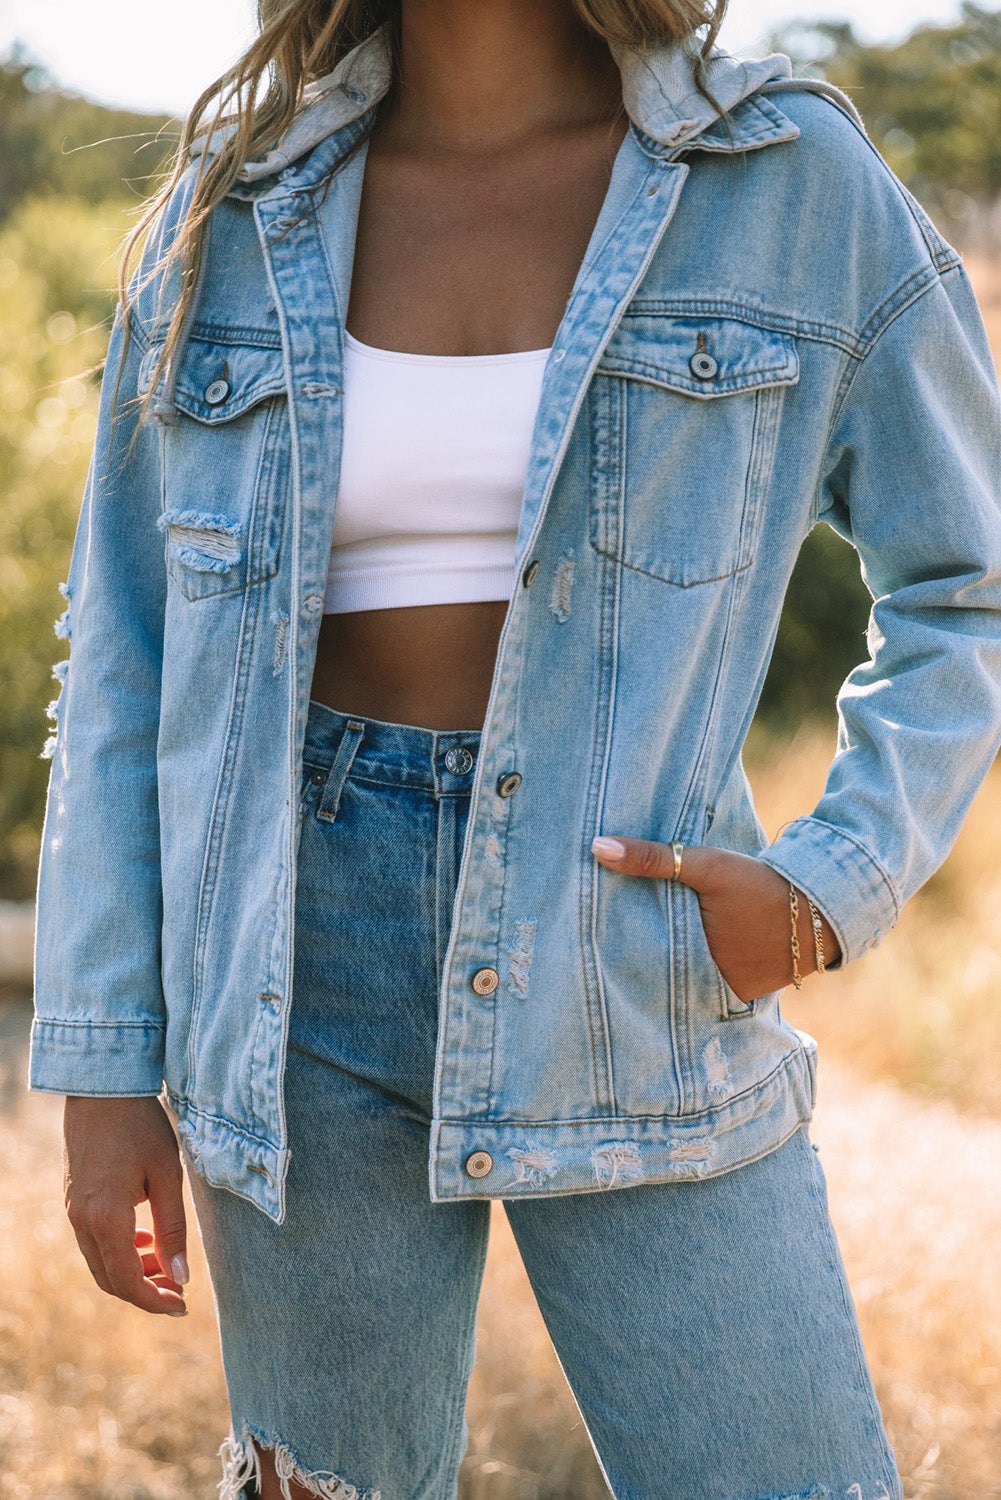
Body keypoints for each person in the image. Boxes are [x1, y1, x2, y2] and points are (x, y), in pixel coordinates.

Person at [30, 1, 1001, 1497]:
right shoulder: (232, 208)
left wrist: (829, 883)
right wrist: (105, 1068)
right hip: (293, 977)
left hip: (628, 951)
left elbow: (968, 585)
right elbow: (126, 663)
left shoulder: (785, 182)